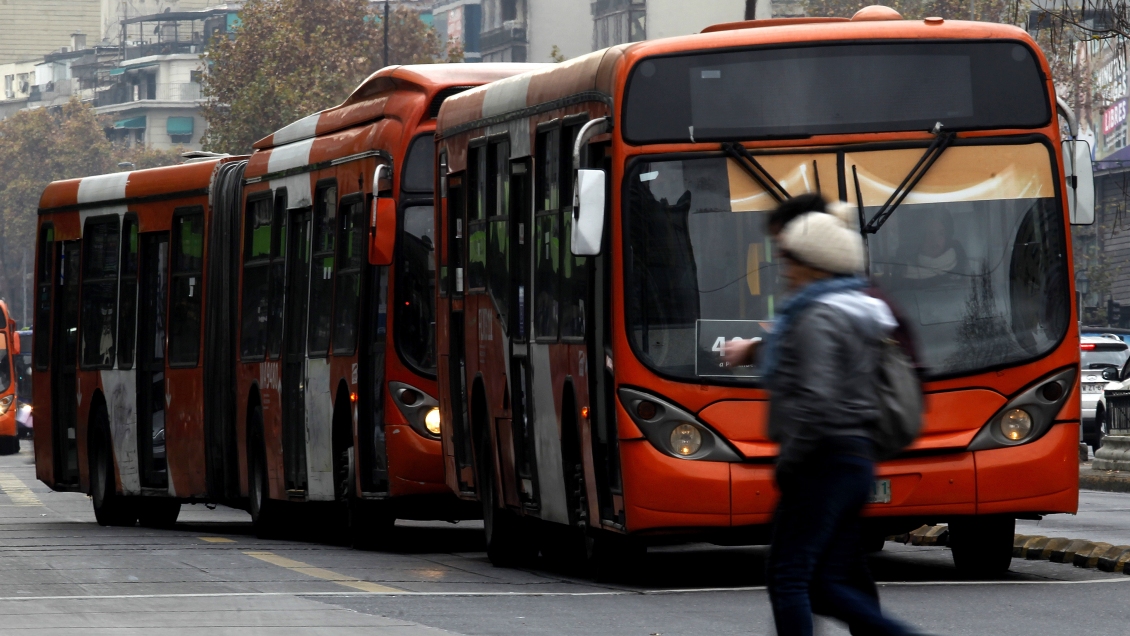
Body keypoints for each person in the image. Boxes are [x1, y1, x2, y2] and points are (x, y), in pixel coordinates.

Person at [726, 195, 915, 636]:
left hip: (824, 460)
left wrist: (792, 462)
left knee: (789, 576)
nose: (785, 270)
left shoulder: (817, 316)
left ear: (815, 265)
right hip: (850, 458)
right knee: (828, 582)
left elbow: (817, 399)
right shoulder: (857, 310)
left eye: (791, 259)